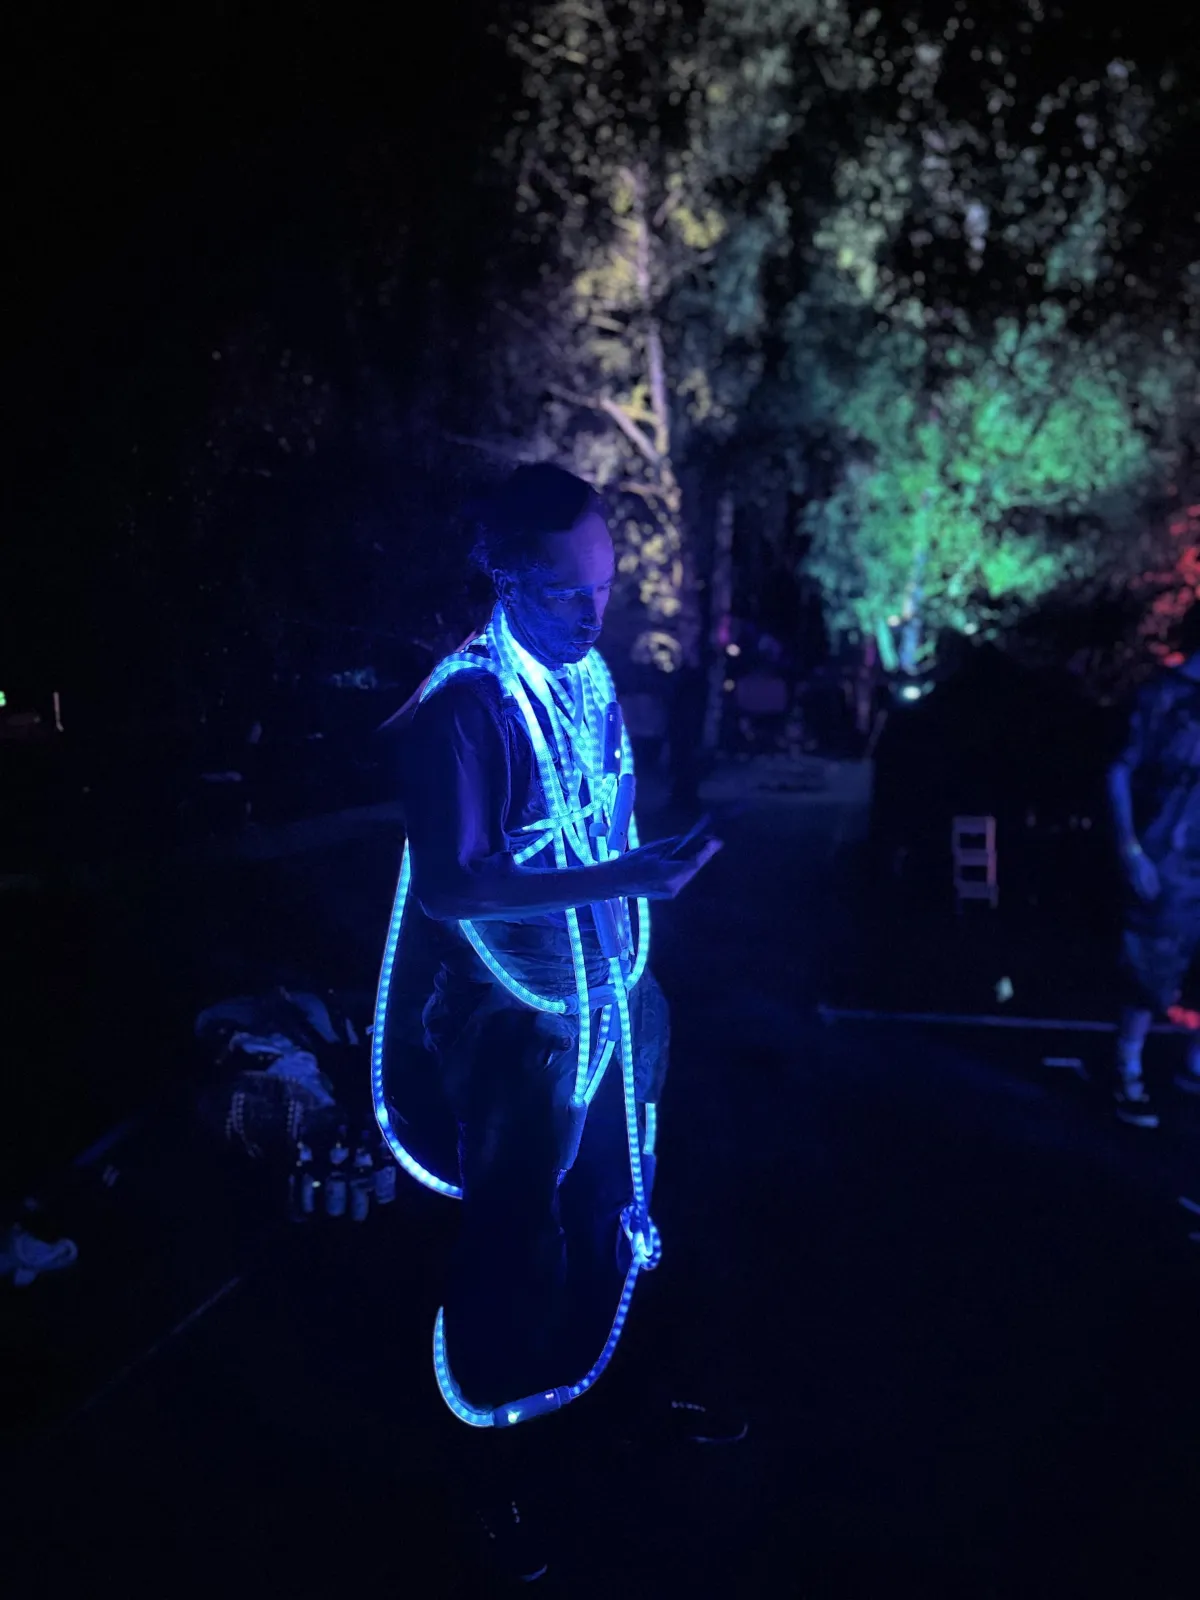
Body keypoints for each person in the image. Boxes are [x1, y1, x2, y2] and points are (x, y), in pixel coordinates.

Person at [388, 464, 740, 1584]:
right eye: (564, 595)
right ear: (501, 579)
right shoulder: (463, 708)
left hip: (615, 1000)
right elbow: (451, 888)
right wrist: (622, 873)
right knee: (512, 1242)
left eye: (604, 586)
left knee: (618, 1210)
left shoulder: (584, 678)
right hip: (516, 1025)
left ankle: (618, 1393)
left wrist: (637, 875)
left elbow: (606, 810)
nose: (595, 613)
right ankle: (487, 1474)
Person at [1107, 605, 1200, 1127]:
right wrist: (1130, 849)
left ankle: (1194, 1065)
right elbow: (1119, 769)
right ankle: (1127, 1067)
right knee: (1148, 970)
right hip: (1169, 858)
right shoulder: (1163, 696)